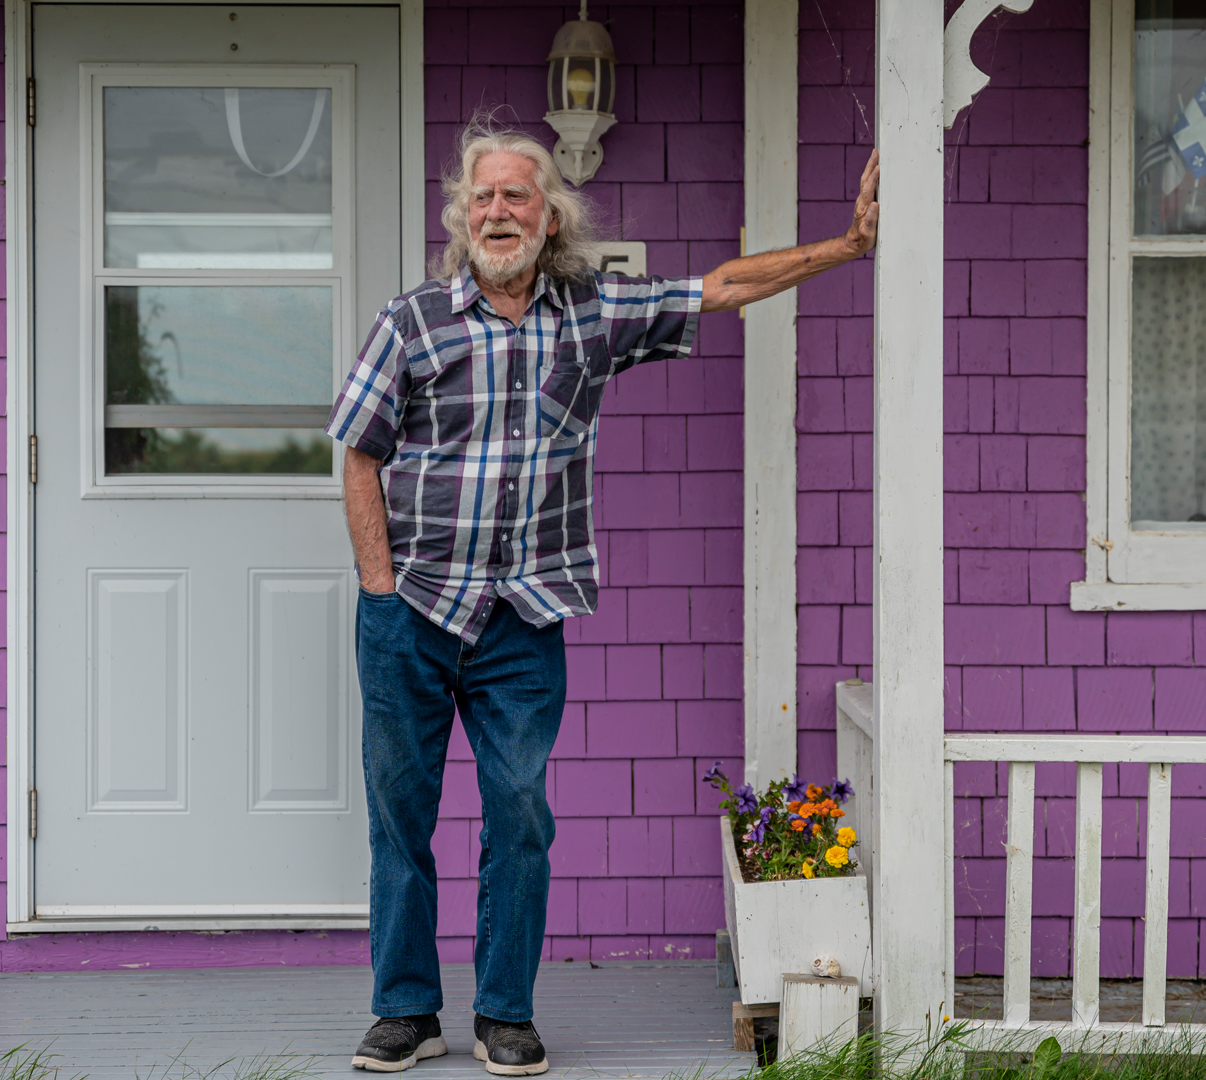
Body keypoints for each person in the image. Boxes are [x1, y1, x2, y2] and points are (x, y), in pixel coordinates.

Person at [328, 119, 881, 1076]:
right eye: (484, 197)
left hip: (524, 618)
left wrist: (848, 245)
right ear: (462, 216)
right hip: (412, 610)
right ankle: (406, 1010)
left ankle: (504, 1012)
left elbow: (721, 288)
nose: (500, 211)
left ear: (550, 219)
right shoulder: (411, 322)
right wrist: (379, 593)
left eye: (519, 196)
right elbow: (358, 454)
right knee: (400, 818)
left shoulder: (589, 315)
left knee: (519, 814)